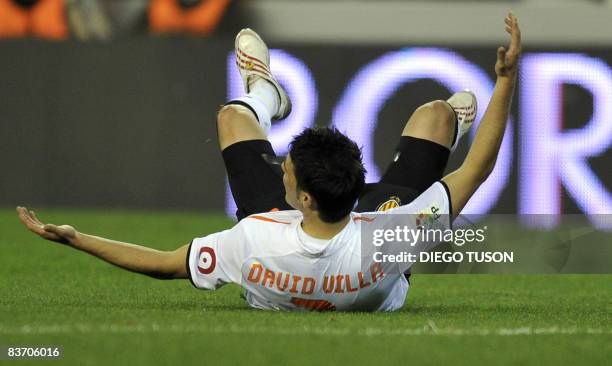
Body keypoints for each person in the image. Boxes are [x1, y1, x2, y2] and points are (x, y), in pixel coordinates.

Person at [17, 13, 521, 311]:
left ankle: (263, 93)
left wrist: (77, 239)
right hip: (364, 234)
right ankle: (449, 124)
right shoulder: (393, 236)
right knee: (433, 114)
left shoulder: (255, 238)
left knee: (233, 117)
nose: (281, 165)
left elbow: (165, 265)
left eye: (288, 166)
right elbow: (480, 165)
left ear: (300, 196)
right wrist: (505, 79)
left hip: (291, 226)